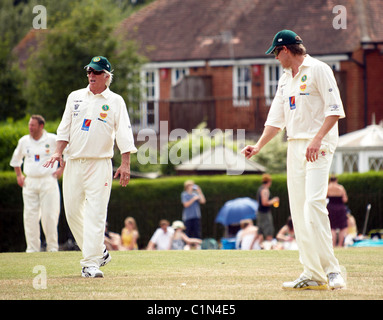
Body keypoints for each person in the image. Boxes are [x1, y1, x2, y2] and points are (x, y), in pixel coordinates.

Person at [242, 30, 346, 290]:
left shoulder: (319, 69)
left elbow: (335, 111)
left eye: (276, 53)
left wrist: (317, 139)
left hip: (319, 145)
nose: (275, 58)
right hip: (295, 145)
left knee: (313, 203)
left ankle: (333, 271)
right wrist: (258, 146)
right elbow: (275, 121)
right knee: (299, 211)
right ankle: (312, 273)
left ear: (285, 50)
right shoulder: (285, 79)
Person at [44, 56, 137, 278]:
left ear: (107, 76)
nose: (91, 75)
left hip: (100, 163)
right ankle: (99, 251)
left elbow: (124, 133)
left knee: (96, 213)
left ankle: (89, 264)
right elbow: (64, 128)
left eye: (96, 72)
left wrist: (125, 163)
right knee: (73, 212)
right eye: (89, 71)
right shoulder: (75, 97)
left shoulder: (115, 101)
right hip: (74, 162)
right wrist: (58, 151)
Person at [10, 115, 63, 253]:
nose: (30, 128)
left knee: (49, 216)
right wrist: (19, 175)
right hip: (30, 181)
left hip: (48, 180)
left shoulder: (52, 139)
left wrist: (61, 169)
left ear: (41, 126)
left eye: (33, 125)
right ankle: (32, 249)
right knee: (29, 217)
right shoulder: (24, 141)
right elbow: (16, 160)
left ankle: (52, 248)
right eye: (29, 125)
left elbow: (67, 153)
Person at [256, 174, 279, 241]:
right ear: (269, 181)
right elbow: (264, 202)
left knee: (260, 231)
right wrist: (274, 200)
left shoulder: (260, 189)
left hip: (260, 213)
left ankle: (260, 247)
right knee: (269, 231)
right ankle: (268, 247)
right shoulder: (265, 190)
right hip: (265, 213)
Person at [327, 175, 348, 247]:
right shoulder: (340, 188)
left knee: (332, 227)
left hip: (331, 208)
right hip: (340, 207)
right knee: (342, 227)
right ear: (336, 180)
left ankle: (333, 245)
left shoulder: (328, 188)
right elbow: (345, 199)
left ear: (330, 180)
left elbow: (324, 197)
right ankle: (340, 245)